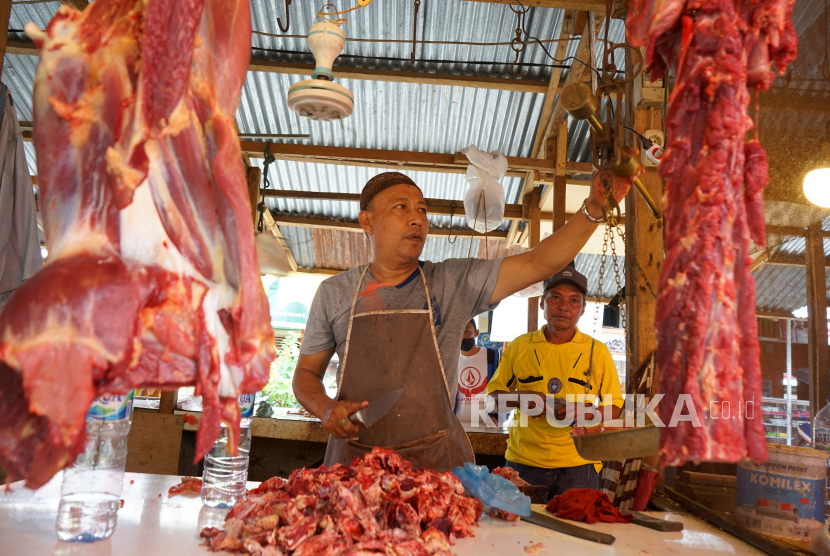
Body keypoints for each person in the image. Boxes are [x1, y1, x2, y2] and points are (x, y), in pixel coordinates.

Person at [292, 168, 636, 472]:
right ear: (366, 220)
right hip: (354, 468)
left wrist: (594, 209)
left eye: (422, 210)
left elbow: (537, 264)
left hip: (437, 468)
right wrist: (325, 408)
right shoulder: (334, 292)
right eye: (402, 208)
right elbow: (307, 374)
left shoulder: (452, 282)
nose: (417, 219)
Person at [485, 266, 624, 499]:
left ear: (582, 309)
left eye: (574, 301)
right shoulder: (520, 347)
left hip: (580, 465)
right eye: (556, 297)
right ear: (542, 303)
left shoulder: (597, 352)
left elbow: (615, 407)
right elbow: (491, 401)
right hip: (523, 463)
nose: (563, 307)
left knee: (580, 533)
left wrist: (587, 413)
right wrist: (522, 398)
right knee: (517, 532)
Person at [455, 318, 501, 426]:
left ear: (477, 333)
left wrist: (495, 417)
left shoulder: (491, 356)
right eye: (459, 332)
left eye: (467, 331)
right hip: (457, 424)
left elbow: (500, 388)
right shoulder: (451, 359)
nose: (463, 336)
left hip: (485, 424)